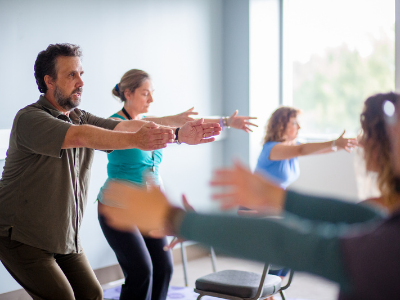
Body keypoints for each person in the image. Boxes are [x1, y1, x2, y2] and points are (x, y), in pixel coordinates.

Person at [99, 92, 400, 299]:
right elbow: (359, 216)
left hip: (259, 215)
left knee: (158, 268)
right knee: (147, 270)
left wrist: (178, 220)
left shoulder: (385, 247)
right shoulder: (382, 221)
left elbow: (291, 243)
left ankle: (273, 283)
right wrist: (280, 198)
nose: (372, 143)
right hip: (117, 204)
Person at [0, 43, 221, 300]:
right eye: (72, 75)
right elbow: (82, 137)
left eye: (81, 73)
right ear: (49, 81)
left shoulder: (78, 116)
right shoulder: (30, 118)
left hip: (63, 237)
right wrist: (141, 140)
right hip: (20, 236)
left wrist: (178, 134)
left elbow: (122, 127)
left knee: (93, 294)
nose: (81, 81)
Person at [97, 68, 258, 300]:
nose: (151, 99)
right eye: (145, 93)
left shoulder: (146, 121)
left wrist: (227, 121)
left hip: (148, 208)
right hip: (116, 208)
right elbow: (137, 128)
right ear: (128, 93)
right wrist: (175, 129)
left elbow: (184, 121)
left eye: (152, 93)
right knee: (142, 272)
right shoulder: (115, 123)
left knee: (164, 269)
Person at [255, 106, 357, 189]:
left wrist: (349, 143)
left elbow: (322, 150)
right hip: (255, 206)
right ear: (281, 125)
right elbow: (301, 150)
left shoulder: (294, 146)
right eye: (294, 123)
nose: (299, 127)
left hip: (272, 206)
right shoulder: (272, 149)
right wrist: (334, 142)